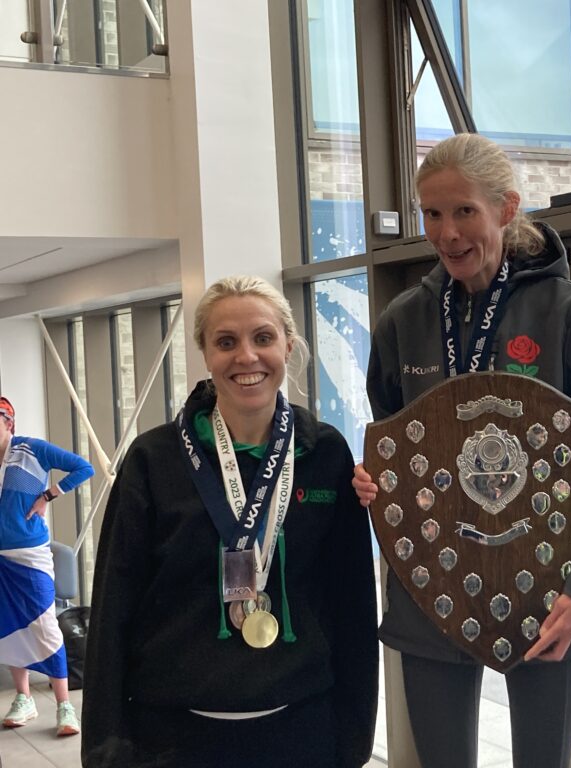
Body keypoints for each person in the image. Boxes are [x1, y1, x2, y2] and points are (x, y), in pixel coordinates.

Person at [353, 132, 571, 768]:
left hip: (551, 592)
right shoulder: (403, 323)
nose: (446, 233)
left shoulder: (568, 315)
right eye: (431, 214)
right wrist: (378, 487)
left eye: (463, 211)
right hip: (431, 594)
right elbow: (396, 444)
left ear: (505, 208)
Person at [82, 276, 377, 768]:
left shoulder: (324, 453)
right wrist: (104, 746)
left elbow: (352, 604)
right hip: (173, 737)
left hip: (302, 730)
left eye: (263, 337)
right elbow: (113, 607)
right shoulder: (154, 459)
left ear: (288, 342)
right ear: (204, 353)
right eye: (226, 342)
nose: (246, 357)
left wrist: (354, 735)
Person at [0, 396, 94, 736]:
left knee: (45, 627)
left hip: (30, 554)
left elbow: (84, 467)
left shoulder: (30, 449)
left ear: (8, 423)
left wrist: (48, 495)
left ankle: (64, 706)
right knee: (8, 627)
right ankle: (24, 699)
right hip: (0, 558)